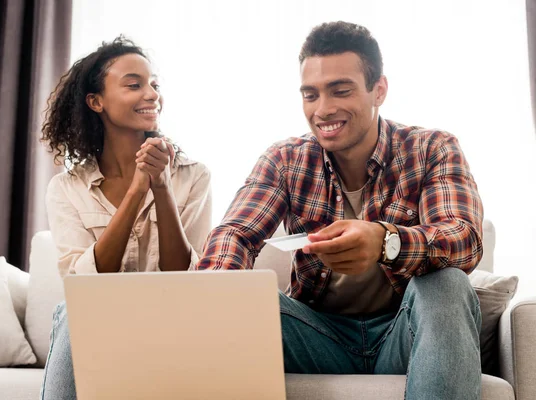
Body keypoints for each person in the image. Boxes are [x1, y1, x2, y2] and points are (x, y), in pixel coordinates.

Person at [196, 21, 483, 399]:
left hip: (403, 333)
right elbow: (235, 233)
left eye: (340, 91)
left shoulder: (431, 148)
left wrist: (386, 241)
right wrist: (214, 293)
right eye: (310, 95)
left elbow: (464, 239)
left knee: (448, 282)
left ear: (378, 90)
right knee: (235, 295)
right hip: (316, 336)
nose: (322, 109)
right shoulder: (285, 159)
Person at [39, 37, 212, 400]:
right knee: (71, 313)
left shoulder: (193, 176)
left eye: (154, 85)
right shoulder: (66, 189)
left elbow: (187, 279)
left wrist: (161, 187)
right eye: (134, 85)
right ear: (95, 101)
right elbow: (83, 288)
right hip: (96, 324)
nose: (151, 94)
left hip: (171, 323)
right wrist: (136, 191)